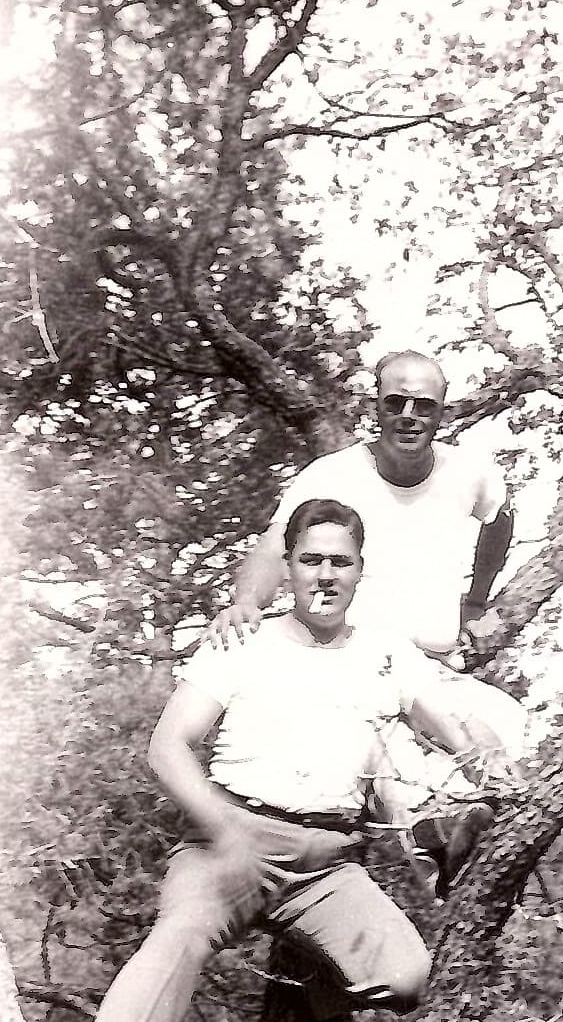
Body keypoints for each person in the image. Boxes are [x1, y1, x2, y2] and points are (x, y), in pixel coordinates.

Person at [47, 498, 493, 1022]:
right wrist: (224, 831)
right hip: (226, 847)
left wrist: (486, 767)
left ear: (361, 571)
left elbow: (443, 722)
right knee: (177, 939)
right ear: (287, 568)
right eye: (310, 560)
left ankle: (323, 986)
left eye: (341, 562)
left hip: (325, 864)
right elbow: (167, 747)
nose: (325, 575)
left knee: (409, 979)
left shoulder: (385, 653)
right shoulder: (240, 641)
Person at [203, 347, 524, 884]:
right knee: (390, 759)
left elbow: (501, 520)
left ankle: (465, 850)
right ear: (374, 406)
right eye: (395, 401)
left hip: (433, 662)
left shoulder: (471, 473)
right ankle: (431, 857)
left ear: (442, 412)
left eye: (423, 405)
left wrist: (477, 599)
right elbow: (271, 547)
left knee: (503, 729)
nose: (408, 415)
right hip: (354, 659)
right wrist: (245, 604)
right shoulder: (332, 476)